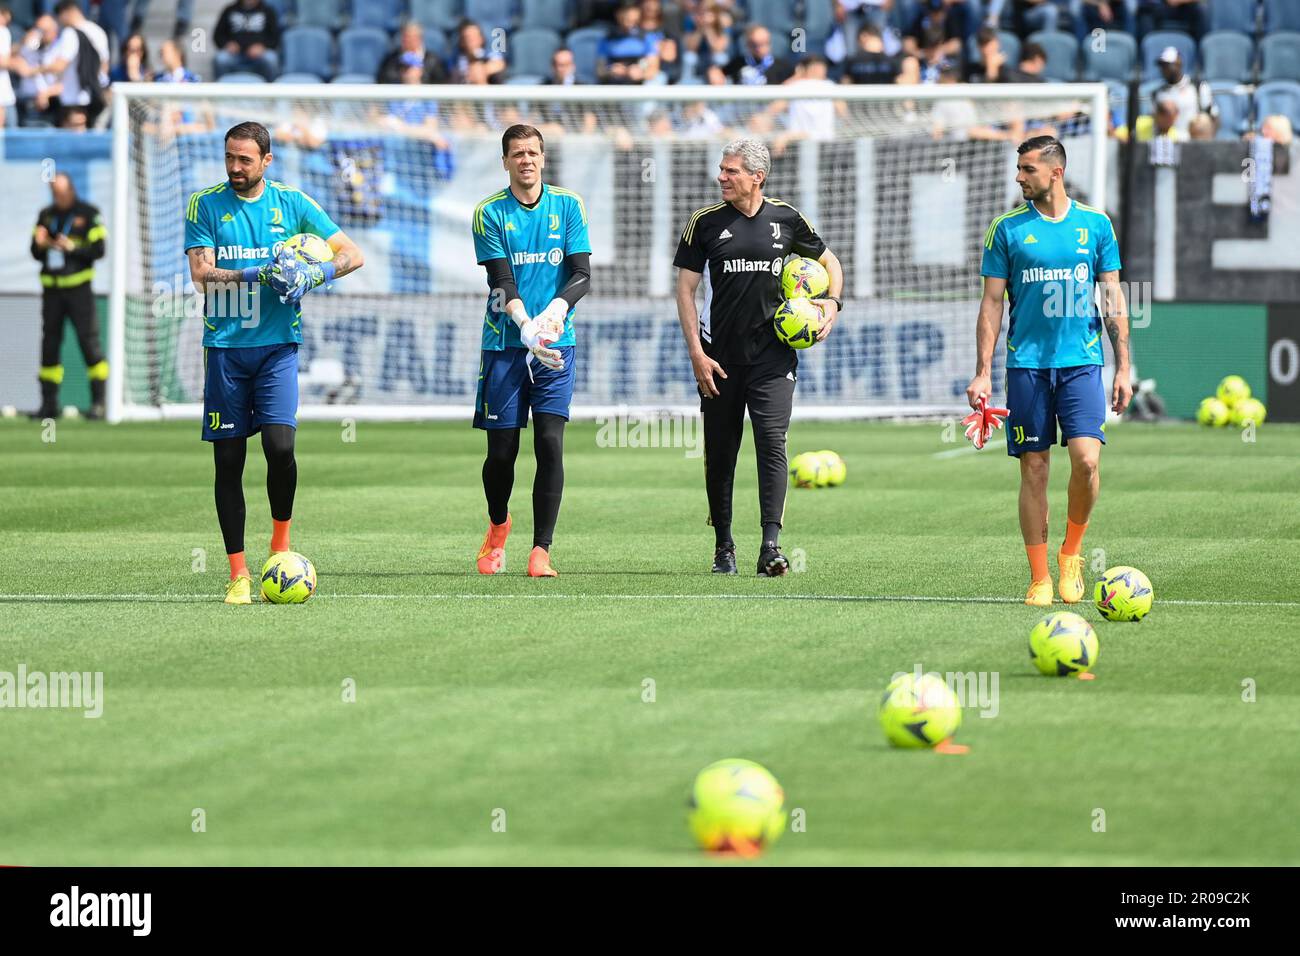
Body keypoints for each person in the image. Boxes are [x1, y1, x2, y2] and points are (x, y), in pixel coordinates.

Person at [184, 122, 366, 604]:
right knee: (229, 461)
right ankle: (238, 574)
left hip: (277, 348)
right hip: (225, 348)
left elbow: (352, 254)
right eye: (230, 158)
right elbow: (202, 276)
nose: (235, 168)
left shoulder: (293, 204)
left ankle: (280, 544)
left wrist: (315, 273)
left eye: (245, 159)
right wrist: (257, 273)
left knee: (281, 448)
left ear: (267, 161)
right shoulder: (205, 204)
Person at [967, 136, 1131, 607]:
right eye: (1018, 169)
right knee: (1034, 469)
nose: (1019, 177)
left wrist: (1123, 368)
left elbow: (1114, 300)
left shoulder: (1096, 226)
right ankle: (1039, 578)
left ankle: (1071, 554)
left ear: (1055, 172)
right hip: (1027, 367)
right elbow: (992, 303)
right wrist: (982, 371)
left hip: (1082, 363)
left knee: (1087, 460)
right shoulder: (1006, 229)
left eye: (1027, 169)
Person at [673, 139, 845, 576]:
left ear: (757, 177)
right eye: (722, 170)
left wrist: (832, 304)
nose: (722, 177)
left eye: (731, 171)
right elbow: (686, 291)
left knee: (772, 444)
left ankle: (771, 545)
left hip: (773, 357)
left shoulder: (787, 219)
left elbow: (831, 263)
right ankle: (723, 547)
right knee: (721, 450)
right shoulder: (704, 223)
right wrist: (696, 352)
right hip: (719, 358)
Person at [471, 125, 592, 578]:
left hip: (557, 344)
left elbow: (581, 273)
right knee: (502, 453)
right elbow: (501, 283)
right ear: (505, 161)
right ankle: (498, 526)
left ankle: (541, 550)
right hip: (505, 343)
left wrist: (556, 313)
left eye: (533, 153)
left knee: (549, 443)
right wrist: (525, 326)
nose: (526, 160)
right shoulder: (489, 213)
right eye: (517, 153)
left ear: (544, 158)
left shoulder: (569, 205)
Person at [30, 173, 108, 420]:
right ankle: (49, 406)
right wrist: (41, 245)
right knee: (49, 346)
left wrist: (72, 248)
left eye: (62, 193)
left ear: (71, 190)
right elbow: (34, 251)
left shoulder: (88, 213)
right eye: (54, 193)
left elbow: (99, 250)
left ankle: (99, 404)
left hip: (79, 292)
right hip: (52, 292)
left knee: (89, 344)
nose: (58, 198)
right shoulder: (46, 215)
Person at [1153, 46, 1214, 139]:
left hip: (1193, 143)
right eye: (1162, 66)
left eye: (1167, 65)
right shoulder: (1158, 93)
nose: (1164, 70)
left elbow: (1213, 117)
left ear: (1178, 64)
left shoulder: (1198, 87)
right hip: (1169, 143)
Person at [213, 0, 281, 81]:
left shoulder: (268, 10)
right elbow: (218, 35)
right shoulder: (229, 10)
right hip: (235, 55)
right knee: (221, 59)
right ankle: (222, 91)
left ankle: (272, 91)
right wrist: (227, 44)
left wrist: (263, 47)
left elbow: (275, 37)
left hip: (259, 55)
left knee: (271, 59)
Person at [377, 22, 448, 85]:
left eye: (411, 37)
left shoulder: (433, 61)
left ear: (420, 39)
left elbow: (440, 83)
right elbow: (383, 80)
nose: (407, 41)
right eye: (405, 37)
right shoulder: (391, 59)